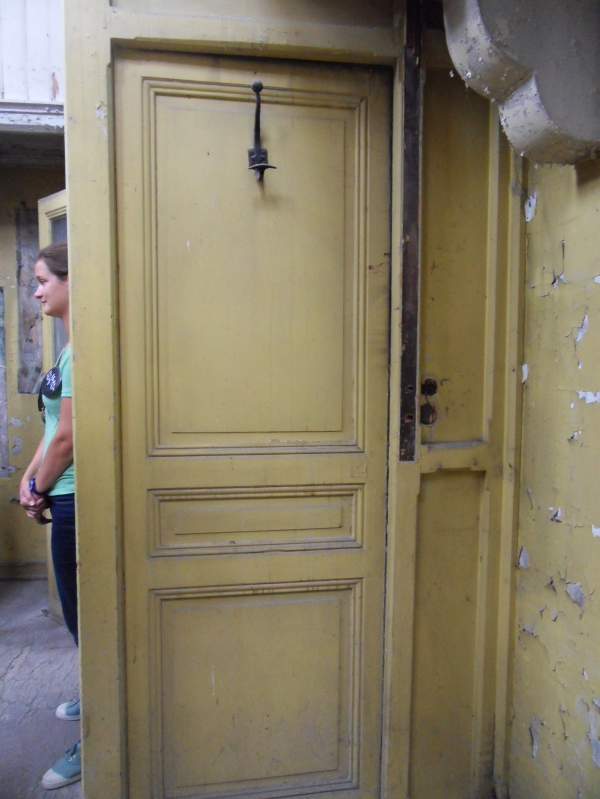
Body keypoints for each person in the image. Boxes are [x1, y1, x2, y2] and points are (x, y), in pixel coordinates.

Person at [19, 241, 81, 790]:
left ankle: (101, 732)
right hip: (58, 495)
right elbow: (50, 428)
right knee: (82, 617)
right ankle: (97, 693)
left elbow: (69, 438)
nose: (36, 292)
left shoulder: (85, 352)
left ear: (70, 281)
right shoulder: (67, 350)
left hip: (77, 502)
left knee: (87, 618)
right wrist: (30, 478)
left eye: (42, 281)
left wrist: (38, 488)